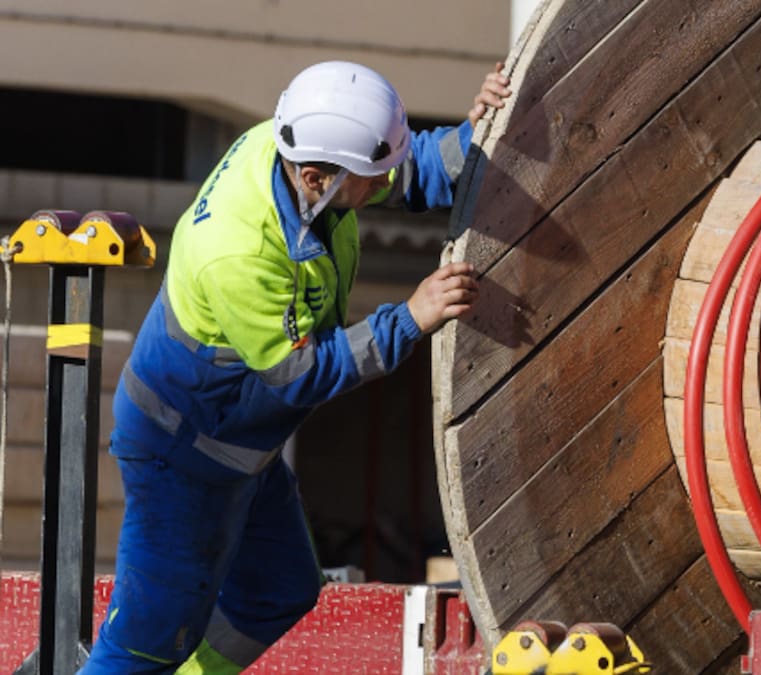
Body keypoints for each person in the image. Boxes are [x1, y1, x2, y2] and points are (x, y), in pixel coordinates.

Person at [79, 60, 511, 673]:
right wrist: (410, 317)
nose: (383, 187)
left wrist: (474, 136)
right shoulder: (240, 249)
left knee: (276, 591)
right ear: (316, 178)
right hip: (181, 452)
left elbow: (405, 170)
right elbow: (298, 376)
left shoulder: (300, 156)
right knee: (147, 642)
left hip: (239, 444)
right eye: (371, 178)